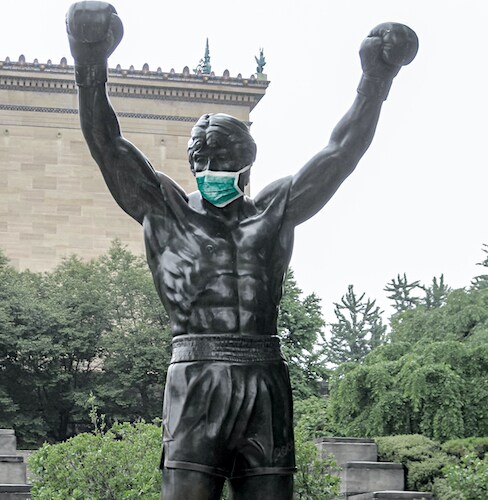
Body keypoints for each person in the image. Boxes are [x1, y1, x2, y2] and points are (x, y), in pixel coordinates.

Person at [66, 3, 418, 499]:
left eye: (222, 158)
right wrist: (89, 60)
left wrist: (375, 81)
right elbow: (108, 143)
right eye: (201, 159)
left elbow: (341, 154)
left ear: (245, 164)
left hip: (264, 380)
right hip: (195, 377)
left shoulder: (274, 212)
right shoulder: (165, 210)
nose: (209, 167)